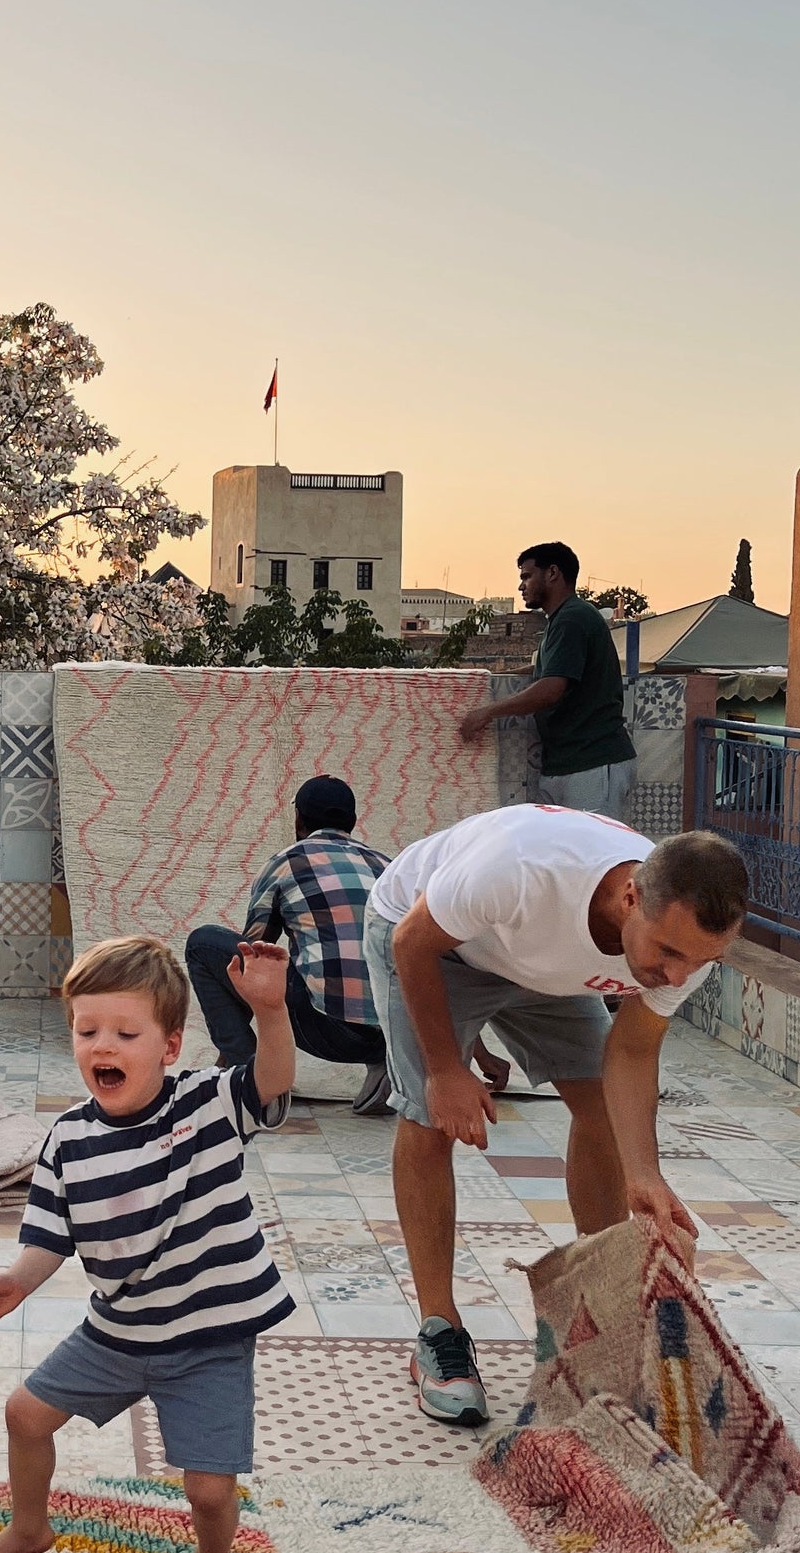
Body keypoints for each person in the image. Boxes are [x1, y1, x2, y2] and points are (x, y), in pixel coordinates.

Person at [362, 811, 748, 1428]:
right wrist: (444, 1070)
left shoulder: (684, 945)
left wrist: (643, 1174)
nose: (678, 976)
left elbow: (632, 1051)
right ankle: (440, 1335)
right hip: (436, 946)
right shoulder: (519, 869)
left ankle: (598, 1314)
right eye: (669, 953)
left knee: (602, 1110)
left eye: (700, 961)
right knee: (431, 1118)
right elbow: (411, 941)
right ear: (630, 899)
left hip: (542, 967)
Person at [0, 931, 295, 1553]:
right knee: (24, 1414)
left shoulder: (207, 1104)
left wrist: (270, 1011)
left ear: (170, 1047)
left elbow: (273, 1079)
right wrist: (16, 1281)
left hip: (208, 1341)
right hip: (118, 1332)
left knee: (208, 1489)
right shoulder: (68, 1139)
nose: (103, 1046)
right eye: (87, 1031)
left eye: (125, 1033)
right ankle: (28, 1526)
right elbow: (50, 1235)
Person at [185, 774, 392, 1117]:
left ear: (298, 820)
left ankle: (252, 1075)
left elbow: (253, 958)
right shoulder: (389, 867)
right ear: (353, 821)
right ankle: (384, 1066)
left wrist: (231, 1047)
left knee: (202, 944)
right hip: (397, 1034)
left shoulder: (287, 862)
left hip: (325, 1029)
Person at [457, 541, 637, 812]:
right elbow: (548, 669)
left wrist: (487, 712)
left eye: (527, 576)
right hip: (571, 764)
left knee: (589, 841)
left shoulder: (572, 618)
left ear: (552, 573)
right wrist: (489, 678)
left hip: (592, 764)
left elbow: (551, 688)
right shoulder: (562, 619)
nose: (521, 586)